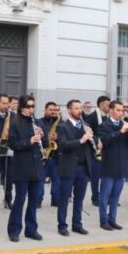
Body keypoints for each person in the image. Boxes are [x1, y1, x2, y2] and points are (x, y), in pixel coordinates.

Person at [7, 95, 48, 242]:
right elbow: (13, 144)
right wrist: (29, 141)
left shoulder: (38, 122)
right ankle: (14, 230)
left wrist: (42, 136)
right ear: (22, 107)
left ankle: (31, 230)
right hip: (22, 167)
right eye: (28, 106)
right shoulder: (15, 123)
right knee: (20, 200)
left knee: (34, 200)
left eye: (33, 106)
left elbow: (47, 143)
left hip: (37, 167)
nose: (31, 109)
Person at [56, 99, 96, 236]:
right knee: (64, 198)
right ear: (69, 110)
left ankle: (77, 224)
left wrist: (92, 139)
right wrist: (81, 140)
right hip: (68, 167)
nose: (79, 111)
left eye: (80, 108)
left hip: (83, 168)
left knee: (79, 199)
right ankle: (62, 225)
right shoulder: (62, 126)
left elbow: (91, 146)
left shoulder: (86, 125)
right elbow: (63, 145)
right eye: (76, 108)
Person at [97, 101, 128, 230]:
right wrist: (120, 131)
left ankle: (112, 219)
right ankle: (103, 221)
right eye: (118, 110)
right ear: (111, 110)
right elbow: (106, 141)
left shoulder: (124, 125)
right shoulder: (104, 125)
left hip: (122, 165)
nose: (121, 113)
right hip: (109, 165)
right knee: (105, 196)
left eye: (122, 111)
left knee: (116, 196)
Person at [85, 96, 110, 207]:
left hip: (107, 150)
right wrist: (96, 142)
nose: (109, 107)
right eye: (107, 105)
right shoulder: (92, 116)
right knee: (95, 176)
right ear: (101, 105)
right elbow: (88, 131)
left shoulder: (109, 117)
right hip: (95, 151)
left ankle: (106, 197)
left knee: (107, 176)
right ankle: (95, 198)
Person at [37, 102, 61, 207]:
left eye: (55, 110)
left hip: (56, 156)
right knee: (40, 180)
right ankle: (38, 201)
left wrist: (59, 137)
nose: (53, 112)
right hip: (43, 155)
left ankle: (56, 200)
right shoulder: (39, 122)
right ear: (45, 110)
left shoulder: (61, 123)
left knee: (57, 180)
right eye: (51, 110)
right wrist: (45, 137)